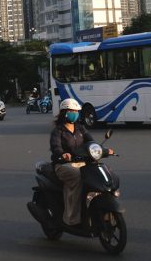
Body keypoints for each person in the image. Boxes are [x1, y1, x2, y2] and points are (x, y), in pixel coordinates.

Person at [50, 98, 111, 229]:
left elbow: (91, 143)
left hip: (82, 162)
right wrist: (63, 154)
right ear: (64, 112)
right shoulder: (58, 131)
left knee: (100, 172)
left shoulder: (80, 128)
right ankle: (71, 219)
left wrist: (104, 150)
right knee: (77, 176)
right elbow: (56, 147)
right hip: (64, 165)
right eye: (72, 111)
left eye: (76, 111)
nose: (74, 113)